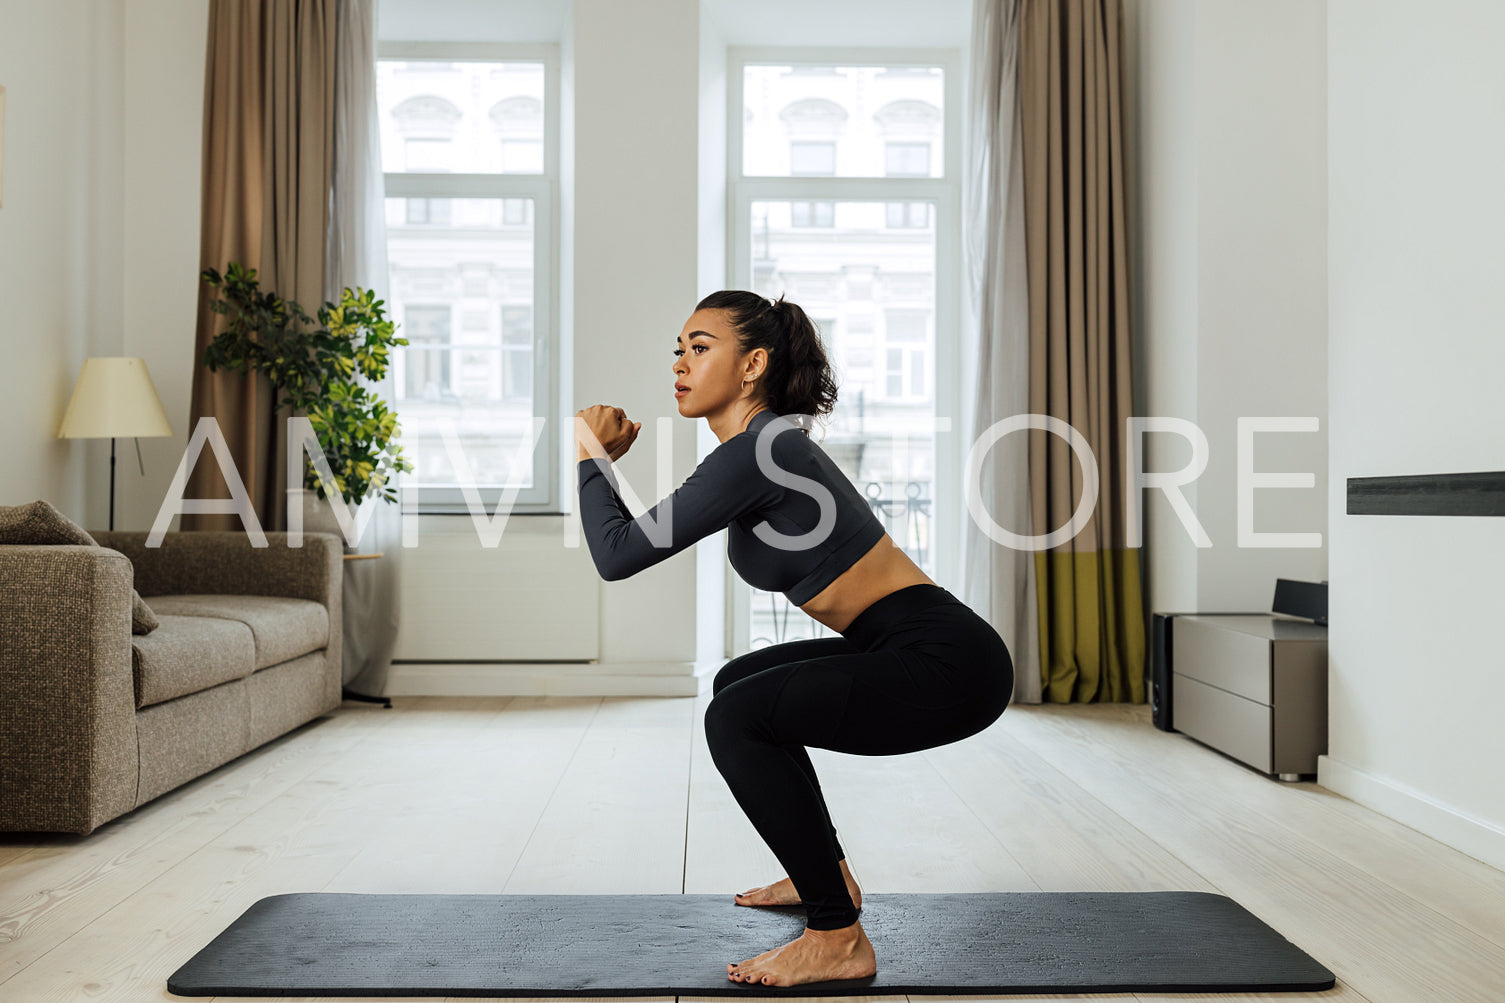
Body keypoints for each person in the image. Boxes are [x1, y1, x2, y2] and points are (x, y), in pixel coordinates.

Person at [574, 289, 1014, 988]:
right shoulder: (758, 450)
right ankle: (825, 873)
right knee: (737, 687)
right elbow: (630, 544)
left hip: (946, 661)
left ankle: (837, 936)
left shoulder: (755, 451)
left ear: (751, 365)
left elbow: (618, 553)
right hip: (909, 645)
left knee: (737, 715)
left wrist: (592, 455)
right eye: (677, 351)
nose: (680, 365)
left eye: (699, 346)